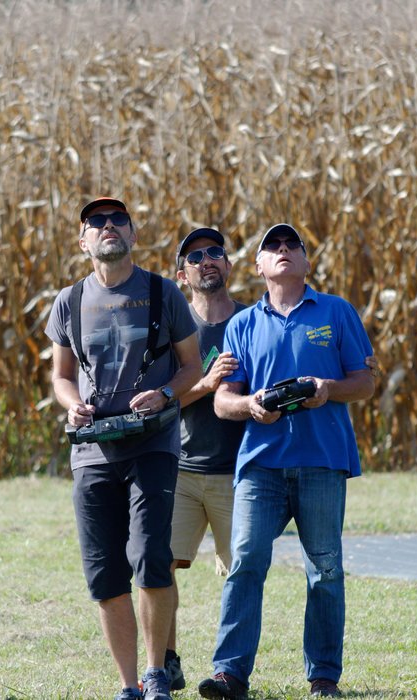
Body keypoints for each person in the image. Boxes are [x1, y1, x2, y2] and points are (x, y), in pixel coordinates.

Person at [197, 223, 376, 700]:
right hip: (261, 466)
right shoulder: (242, 325)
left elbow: (365, 383)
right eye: (272, 246)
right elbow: (223, 402)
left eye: (291, 245)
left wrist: (327, 389)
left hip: (322, 461)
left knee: (325, 569)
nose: (282, 250)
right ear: (258, 266)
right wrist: (252, 405)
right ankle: (229, 674)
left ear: (306, 261)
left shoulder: (336, 312)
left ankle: (323, 677)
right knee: (245, 561)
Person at [45, 197, 203, 700]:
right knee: (104, 572)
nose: (108, 226)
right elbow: (61, 376)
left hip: (152, 446)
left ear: (133, 235)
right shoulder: (69, 301)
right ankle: (129, 684)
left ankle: (156, 674)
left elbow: (192, 366)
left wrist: (165, 394)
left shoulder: (162, 292)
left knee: (151, 557)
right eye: (97, 222)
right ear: (83, 241)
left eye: (118, 221)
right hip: (92, 454)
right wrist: (72, 404)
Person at [163, 228, 247, 691]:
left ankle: (227, 670)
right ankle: (166, 662)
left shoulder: (252, 321)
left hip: (240, 473)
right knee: (159, 566)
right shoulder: (174, 330)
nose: (207, 260)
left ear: (228, 265)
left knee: (242, 574)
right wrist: (207, 384)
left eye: (215, 252)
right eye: (194, 257)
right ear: (182, 275)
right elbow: (158, 402)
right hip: (181, 471)